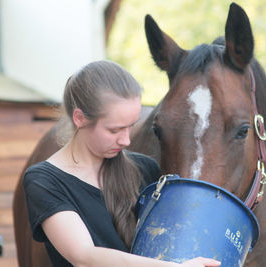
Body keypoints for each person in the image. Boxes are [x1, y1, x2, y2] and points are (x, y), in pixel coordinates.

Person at [23, 60, 221, 267]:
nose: (126, 141)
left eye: (130, 127)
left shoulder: (145, 170)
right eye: (115, 130)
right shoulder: (44, 181)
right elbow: (83, 256)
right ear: (80, 118)